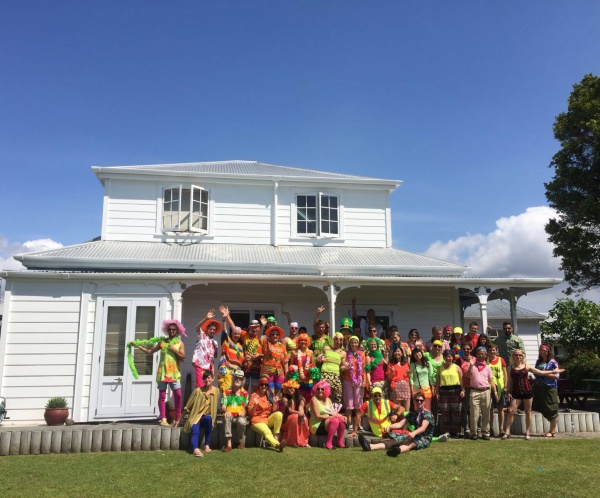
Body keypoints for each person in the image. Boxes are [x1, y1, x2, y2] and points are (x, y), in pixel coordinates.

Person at [133, 319, 186, 427]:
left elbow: (183, 357)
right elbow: (150, 351)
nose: (171, 331)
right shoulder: (162, 342)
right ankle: (163, 418)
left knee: (178, 396)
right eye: (169, 329)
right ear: (167, 330)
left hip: (174, 372)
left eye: (174, 330)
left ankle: (177, 418)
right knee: (162, 396)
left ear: (177, 331)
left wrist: (173, 349)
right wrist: (138, 345)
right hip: (162, 372)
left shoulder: (180, 343)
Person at [360, 391, 436, 456]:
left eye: (421, 400)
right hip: (414, 435)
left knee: (412, 444)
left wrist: (413, 433)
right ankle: (370, 446)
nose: (419, 402)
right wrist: (389, 426)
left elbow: (423, 428)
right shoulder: (413, 414)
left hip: (425, 438)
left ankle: (397, 450)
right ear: (414, 401)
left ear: (424, 402)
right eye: (417, 400)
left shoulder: (427, 414)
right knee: (394, 440)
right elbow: (400, 424)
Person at [183, 370, 219, 457]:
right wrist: (179, 419)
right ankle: (195, 449)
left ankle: (207, 445)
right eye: (205, 378)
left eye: (209, 378)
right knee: (195, 431)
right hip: (196, 416)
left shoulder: (216, 391)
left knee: (209, 419)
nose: (207, 380)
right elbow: (187, 407)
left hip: (206, 417)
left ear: (213, 379)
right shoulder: (197, 391)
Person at [465, 346, 498, 440]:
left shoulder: (487, 367)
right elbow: (467, 376)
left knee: (486, 413)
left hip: (486, 391)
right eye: (479, 353)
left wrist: (495, 392)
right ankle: (473, 433)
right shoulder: (472, 365)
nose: (481, 355)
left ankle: (485, 433)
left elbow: (491, 381)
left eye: (483, 354)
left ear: (486, 355)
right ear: (476, 355)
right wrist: (471, 365)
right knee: (474, 413)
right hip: (474, 391)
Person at [247, 377, 286, 452]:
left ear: (268, 386)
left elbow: (273, 410)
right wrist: (255, 405)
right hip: (256, 421)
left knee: (279, 414)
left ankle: (276, 435)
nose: (264, 386)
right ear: (259, 386)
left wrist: (274, 403)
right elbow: (250, 413)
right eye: (262, 384)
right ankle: (277, 445)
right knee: (267, 432)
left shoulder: (268, 396)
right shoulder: (254, 395)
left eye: (266, 385)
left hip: (266, 420)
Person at [502, 349, 533, 440]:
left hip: (527, 391)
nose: (518, 356)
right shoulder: (510, 367)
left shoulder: (526, 366)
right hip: (516, 392)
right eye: (516, 355)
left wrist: (552, 372)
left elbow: (539, 372)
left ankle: (527, 432)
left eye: (520, 355)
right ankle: (507, 431)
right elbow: (509, 381)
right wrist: (508, 392)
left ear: (522, 356)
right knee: (511, 411)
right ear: (513, 356)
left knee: (528, 411)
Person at [532, 345, 561, 438]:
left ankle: (552, 431)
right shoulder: (538, 362)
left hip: (550, 387)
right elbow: (536, 372)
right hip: (539, 387)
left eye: (544, 350)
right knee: (541, 406)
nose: (542, 352)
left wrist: (544, 374)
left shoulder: (553, 362)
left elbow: (557, 376)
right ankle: (551, 430)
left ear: (548, 352)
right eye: (541, 350)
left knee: (552, 407)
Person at [308, 380, 347, 449]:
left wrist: (342, 416)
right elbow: (318, 416)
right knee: (334, 420)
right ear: (315, 390)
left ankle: (339, 442)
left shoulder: (328, 400)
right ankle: (328, 443)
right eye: (318, 389)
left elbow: (333, 412)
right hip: (316, 425)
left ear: (326, 390)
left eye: (322, 389)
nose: (320, 390)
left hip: (327, 422)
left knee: (341, 419)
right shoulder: (314, 400)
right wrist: (332, 416)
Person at [436, 349, 464, 437]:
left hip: (455, 391)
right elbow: (437, 381)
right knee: (445, 412)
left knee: (456, 412)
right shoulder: (440, 368)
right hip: (444, 392)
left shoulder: (457, 367)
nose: (448, 358)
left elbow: (461, 380)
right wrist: (437, 392)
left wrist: (463, 390)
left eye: (450, 356)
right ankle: (446, 431)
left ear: (452, 357)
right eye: (446, 356)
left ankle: (456, 431)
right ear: (444, 357)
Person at [217, 306, 245, 391]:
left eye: (238, 334)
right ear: (231, 333)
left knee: (237, 393)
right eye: (235, 333)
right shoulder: (227, 340)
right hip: (227, 370)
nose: (236, 335)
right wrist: (224, 319)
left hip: (237, 373)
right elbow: (224, 330)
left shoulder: (240, 346)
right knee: (226, 392)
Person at [343, 335, 366, 436]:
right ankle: (349, 424)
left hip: (359, 380)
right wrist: (346, 367)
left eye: (355, 342)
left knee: (358, 403)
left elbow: (364, 368)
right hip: (348, 380)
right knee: (349, 403)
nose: (354, 344)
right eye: (352, 342)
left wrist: (364, 380)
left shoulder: (362, 354)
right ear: (349, 344)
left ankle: (358, 423)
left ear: (358, 344)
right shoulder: (346, 353)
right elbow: (342, 366)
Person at [221, 369, 249, 452]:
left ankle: (239, 441)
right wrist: (227, 411)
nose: (238, 380)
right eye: (236, 377)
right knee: (226, 417)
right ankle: (229, 444)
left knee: (242, 421)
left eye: (240, 378)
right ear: (233, 378)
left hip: (239, 416)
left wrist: (243, 413)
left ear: (243, 380)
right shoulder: (226, 391)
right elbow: (222, 406)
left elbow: (245, 409)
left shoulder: (245, 393)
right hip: (230, 415)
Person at [193, 310, 221, 388]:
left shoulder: (215, 342)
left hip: (209, 366)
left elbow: (212, 358)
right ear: (207, 329)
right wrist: (206, 318)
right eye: (210, 329)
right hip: (200, 364)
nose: (212, 331)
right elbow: (197, 327)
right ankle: (199, 400)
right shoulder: (202, 336)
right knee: (199, 385)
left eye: (214, 330)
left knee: (207, 386)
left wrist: (213, 370)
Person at [319, 332, 347, 404]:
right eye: (336, 339)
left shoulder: (343, 353)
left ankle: (334, 413)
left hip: (336, 376)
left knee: (337, 396)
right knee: (323, 394)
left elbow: (342, 367)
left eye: (340, 340)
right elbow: (319, 359)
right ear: (333, 339)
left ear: (342, 341)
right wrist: (319, 359)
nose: (338, 341)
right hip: (324, 374)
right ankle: (324, 412)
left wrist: (348, 367)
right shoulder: (326, 348)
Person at [279, 379, 310, 447]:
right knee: (295, 417)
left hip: (297, 418)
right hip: (286, 420)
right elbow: (289, 410)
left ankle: (304, 441)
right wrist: (299, 413)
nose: (289, 390)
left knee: (304, 418)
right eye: (288, 388)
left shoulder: (301, 398)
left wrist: (301, 413)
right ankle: (292, 442)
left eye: (291, 388)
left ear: (295, 388)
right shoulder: (285, 398)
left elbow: (301, 408)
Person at [259, 325, 288, 395]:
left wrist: (287, 373)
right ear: (270, 335)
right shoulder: (265, 342)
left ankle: (277, 406)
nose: (275, 336)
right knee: (269, 392)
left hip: (279, 372)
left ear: (279, 336)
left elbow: (285, 361)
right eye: (273, 334)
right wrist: (262, 326)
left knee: (279, 394)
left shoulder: (282, 346)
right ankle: (270, 406)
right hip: (267, 372)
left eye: (277, 334)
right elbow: (258, 336)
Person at [486, 342, 507, 437]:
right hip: (488, 387)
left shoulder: (501, 360)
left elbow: (505, 374)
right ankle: (490, 428)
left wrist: (505, 385)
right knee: (489, 408)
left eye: (493, 350)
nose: (492, 352)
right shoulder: (485, 360)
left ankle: (501, 428)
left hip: (500, 387)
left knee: (500, 408)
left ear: (496, 351)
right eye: (490, 350)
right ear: (488, 351)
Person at [456, 341, 474, 437]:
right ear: (462, 350)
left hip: (475, 387)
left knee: (474, 409)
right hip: (464, 387)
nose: (466, 350)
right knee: (465, 408)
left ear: (471, 349)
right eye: (464, 349)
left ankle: (473, 428)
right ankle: (465, 428)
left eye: (468, 349)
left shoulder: (475, 359)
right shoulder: (459, 360)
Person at [291, 333, 315, 403]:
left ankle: (307, 413)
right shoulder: (294, 352)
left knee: (309, 396)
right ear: (298, 341)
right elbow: (291, 365)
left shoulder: (310, 352)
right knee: (298, 397)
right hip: (298, 378)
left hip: (308, 378)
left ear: (307, 341)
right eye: (301, 340)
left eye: (305, 340)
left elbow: (312, 365)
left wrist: (310, 368)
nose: (303, 342)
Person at [241, 319, 263, 394]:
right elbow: (233, 328)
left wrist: (259, 356)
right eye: (252, 327)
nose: (254, 329)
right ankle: (243, 404)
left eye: (256, 327)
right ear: (249, 327)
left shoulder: (261, 338)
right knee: (244, 386)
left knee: (255, 387)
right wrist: (227, 317)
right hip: (245, 365)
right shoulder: (245, 335)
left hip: (256, 366)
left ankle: (253, 404)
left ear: (259, 328)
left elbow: (266, 353)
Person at [409, 347, 434, 411]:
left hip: (426, 389)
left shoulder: (428, 363)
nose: (417, 354)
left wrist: (433, 387)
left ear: (421, 353)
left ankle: (426, 421)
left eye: (418, 352)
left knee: (427, 409)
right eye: (415, 354)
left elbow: (431, 376)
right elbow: (411, 378)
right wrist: (412, 391)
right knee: (417, 409)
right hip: (416, 389)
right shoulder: (412, 365)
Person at [387, 346, 411, 412]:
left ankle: (406, 421)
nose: (397, 353)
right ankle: (398, 421)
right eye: (395, 351)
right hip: (396, 387)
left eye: (398, 351)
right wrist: (391, 371)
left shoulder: (406, 364)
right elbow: (389, 378)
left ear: (402, 353)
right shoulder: (391, 364)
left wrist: (409, 373)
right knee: (398, 408)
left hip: (406, 387)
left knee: (406, 408)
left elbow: (408, 376)